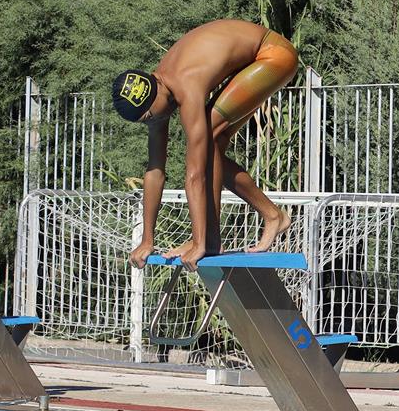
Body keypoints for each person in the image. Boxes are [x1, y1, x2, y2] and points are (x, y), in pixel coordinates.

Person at [111, 20, 299, 268]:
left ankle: (209, 240)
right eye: (145, 121)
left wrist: (199, 242)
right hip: (256, 57)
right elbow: (155, 171)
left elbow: (195, 174)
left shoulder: (186, 84)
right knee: (214, 148)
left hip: (274, 55)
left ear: (155, 86)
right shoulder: (159, 94)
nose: (154, 122)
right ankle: (272, 216)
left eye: (151, 116)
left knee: (209, 131)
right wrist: (147, 240)